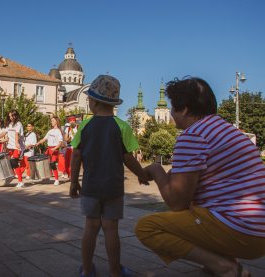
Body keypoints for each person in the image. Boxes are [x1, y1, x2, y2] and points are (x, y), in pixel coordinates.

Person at [135, 77, 265, 277]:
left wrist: (156, 170)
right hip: (258, 228)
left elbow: (177, 202)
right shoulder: (228, 131)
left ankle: (226, 267)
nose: (170, 113)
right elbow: (185, 177)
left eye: (172, 107)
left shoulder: (192, 136)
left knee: (147, 228)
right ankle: (225, 261)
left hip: (244, 232)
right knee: (198, 206)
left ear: (184, 109)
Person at [69, 75, 149, 277]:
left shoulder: (84, 126)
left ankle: (87, 270)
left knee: (91, 227)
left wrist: (73, 182)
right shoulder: (122, 126)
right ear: (113, 103)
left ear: (94, 101)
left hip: (90, 187)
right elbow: (128, 158)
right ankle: (115, 272)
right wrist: (141, 174)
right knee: (111, 229)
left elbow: (76, 155)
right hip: (114, 188)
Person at [0, 110, 25, 188]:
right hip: (10, 147)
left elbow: (17, 134)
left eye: (12, 116)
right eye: (10, 116)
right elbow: (4, 132)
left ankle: (21, 182)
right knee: (9, 163)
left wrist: (17, 143)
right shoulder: (9, 124)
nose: (11, 117)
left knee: (14, 162)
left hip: (17, 147)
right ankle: (10, 177)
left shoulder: (19, 124)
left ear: (16, 116)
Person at [36, 116, 64, 186]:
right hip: (49, 149)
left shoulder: (58, 131)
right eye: (51, 121)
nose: (51, 122)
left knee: (52, 164)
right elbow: (44, 139)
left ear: (56, 122)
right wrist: (38, 142)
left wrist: (55, 148)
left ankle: (57, 179)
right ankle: (47, 177)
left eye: (53, 121)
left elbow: (60, 142)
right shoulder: (50, 131)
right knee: (45, 163)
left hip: (55, 149)